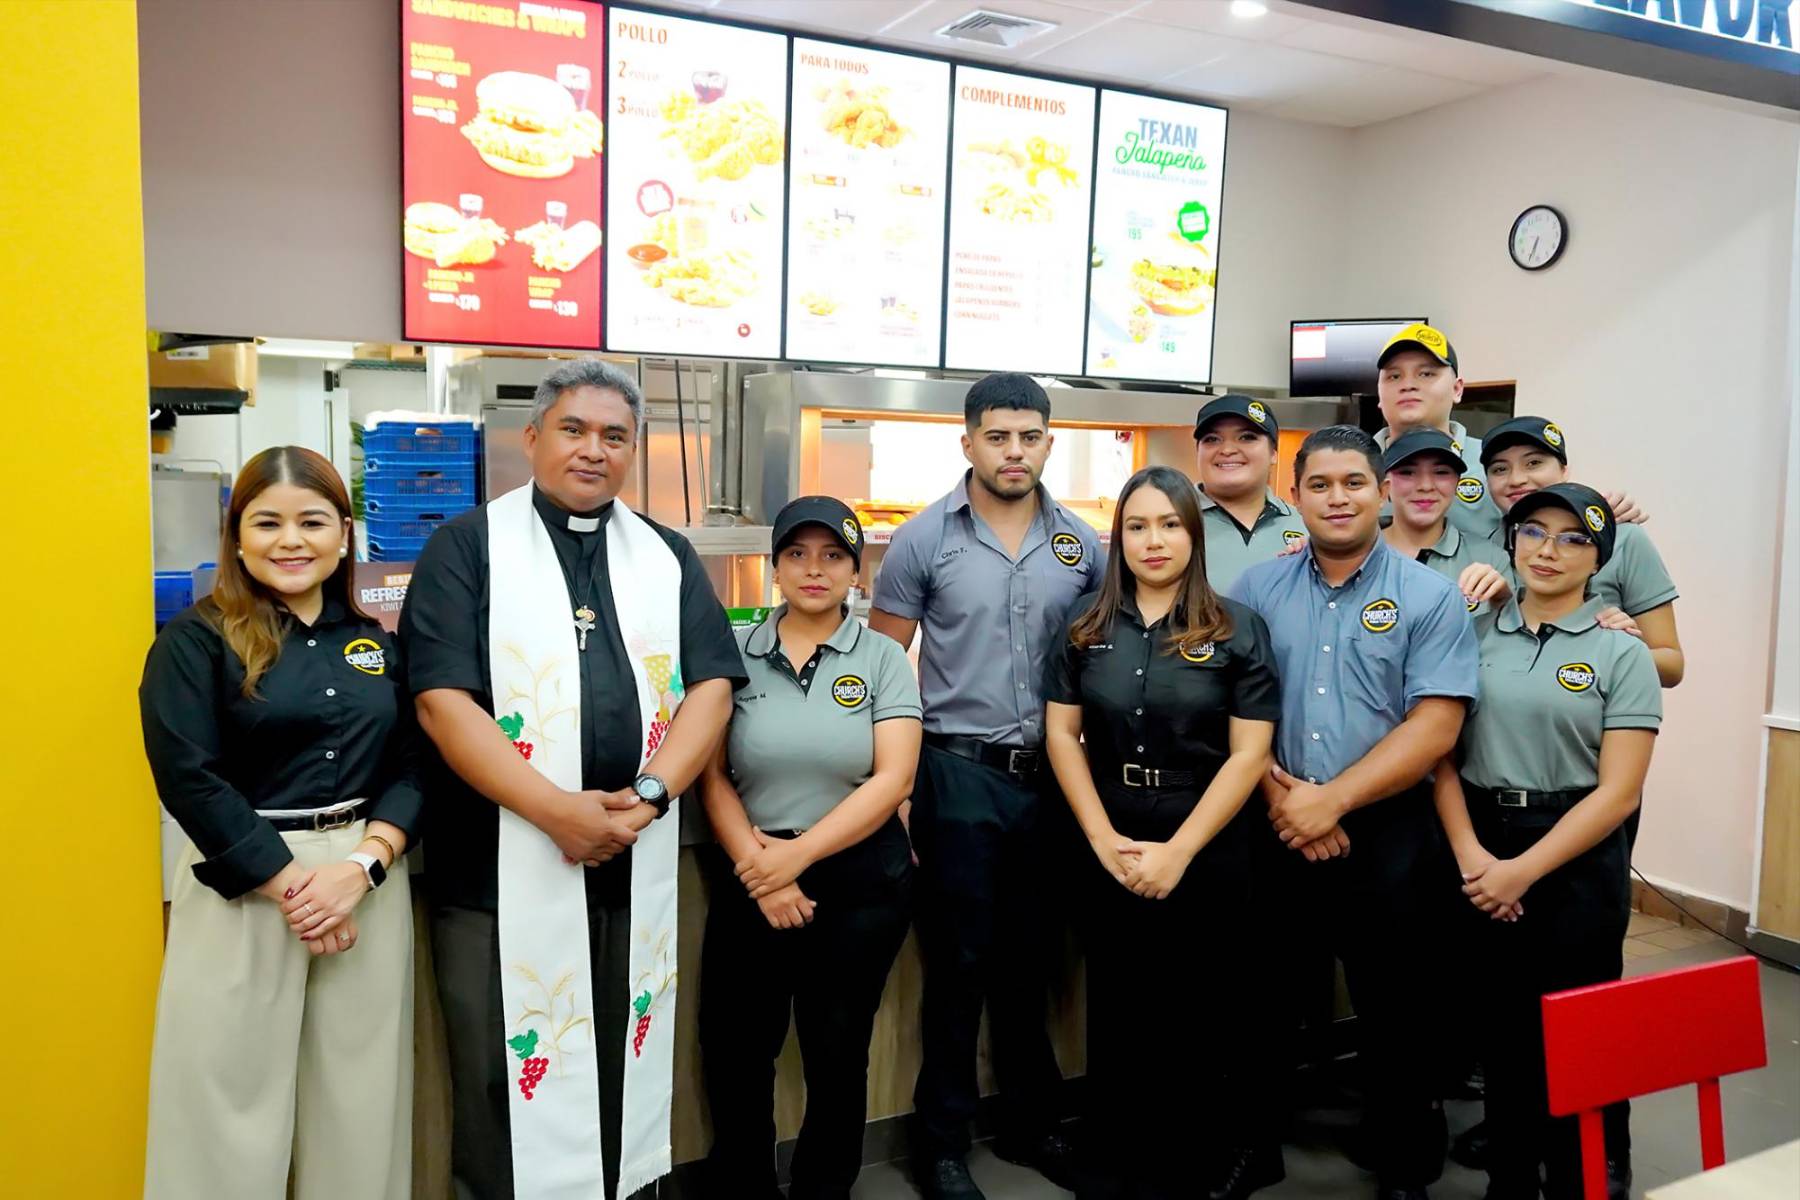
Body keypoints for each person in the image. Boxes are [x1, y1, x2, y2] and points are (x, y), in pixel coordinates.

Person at [398, 359, 745, 1200]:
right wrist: (555, 812)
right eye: (575, 430)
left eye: (614, 436)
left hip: (632, 857)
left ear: (634, 450)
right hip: (497, 868)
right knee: (504, 1070)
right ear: (534, 438)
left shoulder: (664, 553)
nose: (594, 450)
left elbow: (711, 685)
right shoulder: (466, 547)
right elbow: (444, 704)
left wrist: (655, 793)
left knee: (623, 1054)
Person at [140, 446, 420, 1200]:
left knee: (364, 1103)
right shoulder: (194, 642)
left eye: (311, 521)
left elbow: (414, 766)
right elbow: (188, 777)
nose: (290, 540)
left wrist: (362, 867)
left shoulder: (375, 644)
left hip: (364, 882)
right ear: (236, 536)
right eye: (267, 522)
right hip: (246, 887)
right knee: (225, 1108)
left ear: (343, 533)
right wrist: (295, 885)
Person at [1226, 425, 1480, 1200]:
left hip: (1391, 832)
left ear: (1382, 493)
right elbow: (1228, 708)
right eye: (1321, 485)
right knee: (1261, 1004)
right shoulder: (1253, 592)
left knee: (1396, 1010)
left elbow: (1436, 725)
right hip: (1275, 821)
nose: (1338, 499)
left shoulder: (1429, 597)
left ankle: (1404, 1164)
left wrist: (1331, 801)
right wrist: (1287, 800)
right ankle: (1251, 1150)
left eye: (1354, 484)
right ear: (1294, 495)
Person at [868, 372, 1101, 1200]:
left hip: (1052, 784)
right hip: (955, 776)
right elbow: (881, 663)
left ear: (1048, 441)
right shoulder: (924, 539)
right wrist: (890, 784)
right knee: (959, 965)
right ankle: (942, 1144)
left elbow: (1099, 657)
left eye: (1029, 436)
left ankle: (1035, 1127)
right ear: (967, 442)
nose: (1014, 451)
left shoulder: (1080, 543)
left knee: (1031, 965)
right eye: (997, 436)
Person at [1043, 466, 1280, 1199]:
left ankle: (1199, 1160)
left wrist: (1180, 852)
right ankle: (1119, 1156)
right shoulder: (1085, 624)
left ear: (1193, 534)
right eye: (1138, 526)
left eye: (1170, 524)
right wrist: (1100, 837)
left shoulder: (1239, 628)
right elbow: (1061, 734)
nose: (1153, 540)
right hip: (1109, 831)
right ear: (1118, 538)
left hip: (1205, 840)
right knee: (1120, 1002)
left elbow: (1251, 754)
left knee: (1200, 1006)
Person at [1433, 485, 1660, 1200]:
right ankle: (1509, 1179)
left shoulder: (1623, 652)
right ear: (1509, 542)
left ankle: (1582, 1179)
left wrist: (1520, 873)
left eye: (1572, 539)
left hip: (1575, 855)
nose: (1548, 551)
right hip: (1481, 843)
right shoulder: (1473, 635)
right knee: (1502, 1036)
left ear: (1599, 558)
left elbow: (1618, 792)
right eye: (1533, 532)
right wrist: (1475, 857)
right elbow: (1440, 755)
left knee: (1580, 1034)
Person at [698, 496, 922, 1200]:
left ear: (858, 572)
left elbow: (894, 778)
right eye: (797, 554)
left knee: (836, 1051)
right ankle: (745, 1187)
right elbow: (709, 772)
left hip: (858, 882)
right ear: (774, 568)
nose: (814, 569)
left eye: (833, 556)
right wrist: (764, 872)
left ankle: (823, 1190)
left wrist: (796, 861)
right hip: (750, 867)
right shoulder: (732, 655)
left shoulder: (884, 658)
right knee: (738, 1052)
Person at [1371, 327, 1646, 541]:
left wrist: (1594, 515)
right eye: (1394, 376)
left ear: (1457, 389)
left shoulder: (1496, 462)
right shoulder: (1354, 468)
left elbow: (1553, 520)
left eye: (1426, 374)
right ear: (1379, 395)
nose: (1408, 385)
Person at [1480, 416, 1683, 688]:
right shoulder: (1481, 549)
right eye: (1499, 469)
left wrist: (1617, 647)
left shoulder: (1623, 539)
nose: (1516, 479)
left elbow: (1672, 666)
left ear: (1564, 470)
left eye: (1534, 463)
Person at [1380, 428, 1513, 615]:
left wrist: (1503, 601)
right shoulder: (1353, 552)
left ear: (1457, 483)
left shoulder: (1490, 559)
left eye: (1441, 472)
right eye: (1407, 472)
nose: (1425, 486)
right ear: (1384, 484)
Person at [1193, 393, 1306, 592]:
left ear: (1273, 453)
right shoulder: (1172, 522)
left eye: (1247, 437)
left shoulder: (1307, 526)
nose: (1227, 449)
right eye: (1212, 439)